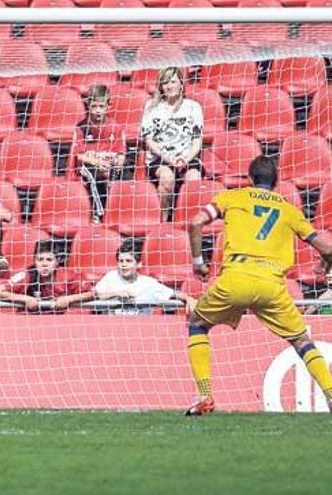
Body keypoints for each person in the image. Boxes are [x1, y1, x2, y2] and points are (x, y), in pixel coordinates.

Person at [185, 156, 332, 415]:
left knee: (197, 324)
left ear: (250, 179)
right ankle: (331, 394)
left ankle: (205, 396)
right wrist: (324, 265)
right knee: (301, 340)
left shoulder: (233, 196)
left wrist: (199, 262)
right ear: (275, 182)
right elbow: (328, 248)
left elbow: (196, 222)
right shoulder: (290, 210)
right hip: (271, 284)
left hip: (236, 277)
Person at [140, 66, 203, 219]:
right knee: (167, 178)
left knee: (194, 179)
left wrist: (185, 159)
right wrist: (168, 158)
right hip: (160, 158)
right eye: (165, 82)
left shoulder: (193, 107)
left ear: (181, 84)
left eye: (173, 82)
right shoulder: (151, 107)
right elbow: (149, 140)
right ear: (161, 86)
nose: (169, 86)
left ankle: (187, 219)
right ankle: (164, 220)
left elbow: (197, 140)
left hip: (186, 158)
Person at [87, 239, 196, 316]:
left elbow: (174, 294)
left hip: (140, 330)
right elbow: (95, 295)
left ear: (139, 264)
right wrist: (116, 294)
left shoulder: (148, 283)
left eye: (128, 261)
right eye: (121, 261)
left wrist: (189, 299)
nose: (124, 265)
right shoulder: (110, 277)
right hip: (112, 329)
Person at [73, 84, 127, 224]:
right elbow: (79, 155)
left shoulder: (116, 127)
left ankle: (116, 210)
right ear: (88, 105)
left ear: (108, 106)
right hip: (89, 165)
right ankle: (99, 213)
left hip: (109, 163)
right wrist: (97, 162)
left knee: (117, 175)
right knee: (93, 175)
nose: (98, 111)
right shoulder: (81, 127)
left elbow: (121, 153)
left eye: (101, 107)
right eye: (94, 106)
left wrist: (117, 162)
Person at [0, 240, 93, 314]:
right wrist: (25, 299)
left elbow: (92, 293)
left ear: (57, 261)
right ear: (34, 261)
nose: (44, 264)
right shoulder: (27, 275)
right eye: (40, 260)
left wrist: (68, 299)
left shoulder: (68, 276)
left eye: (49, 260)